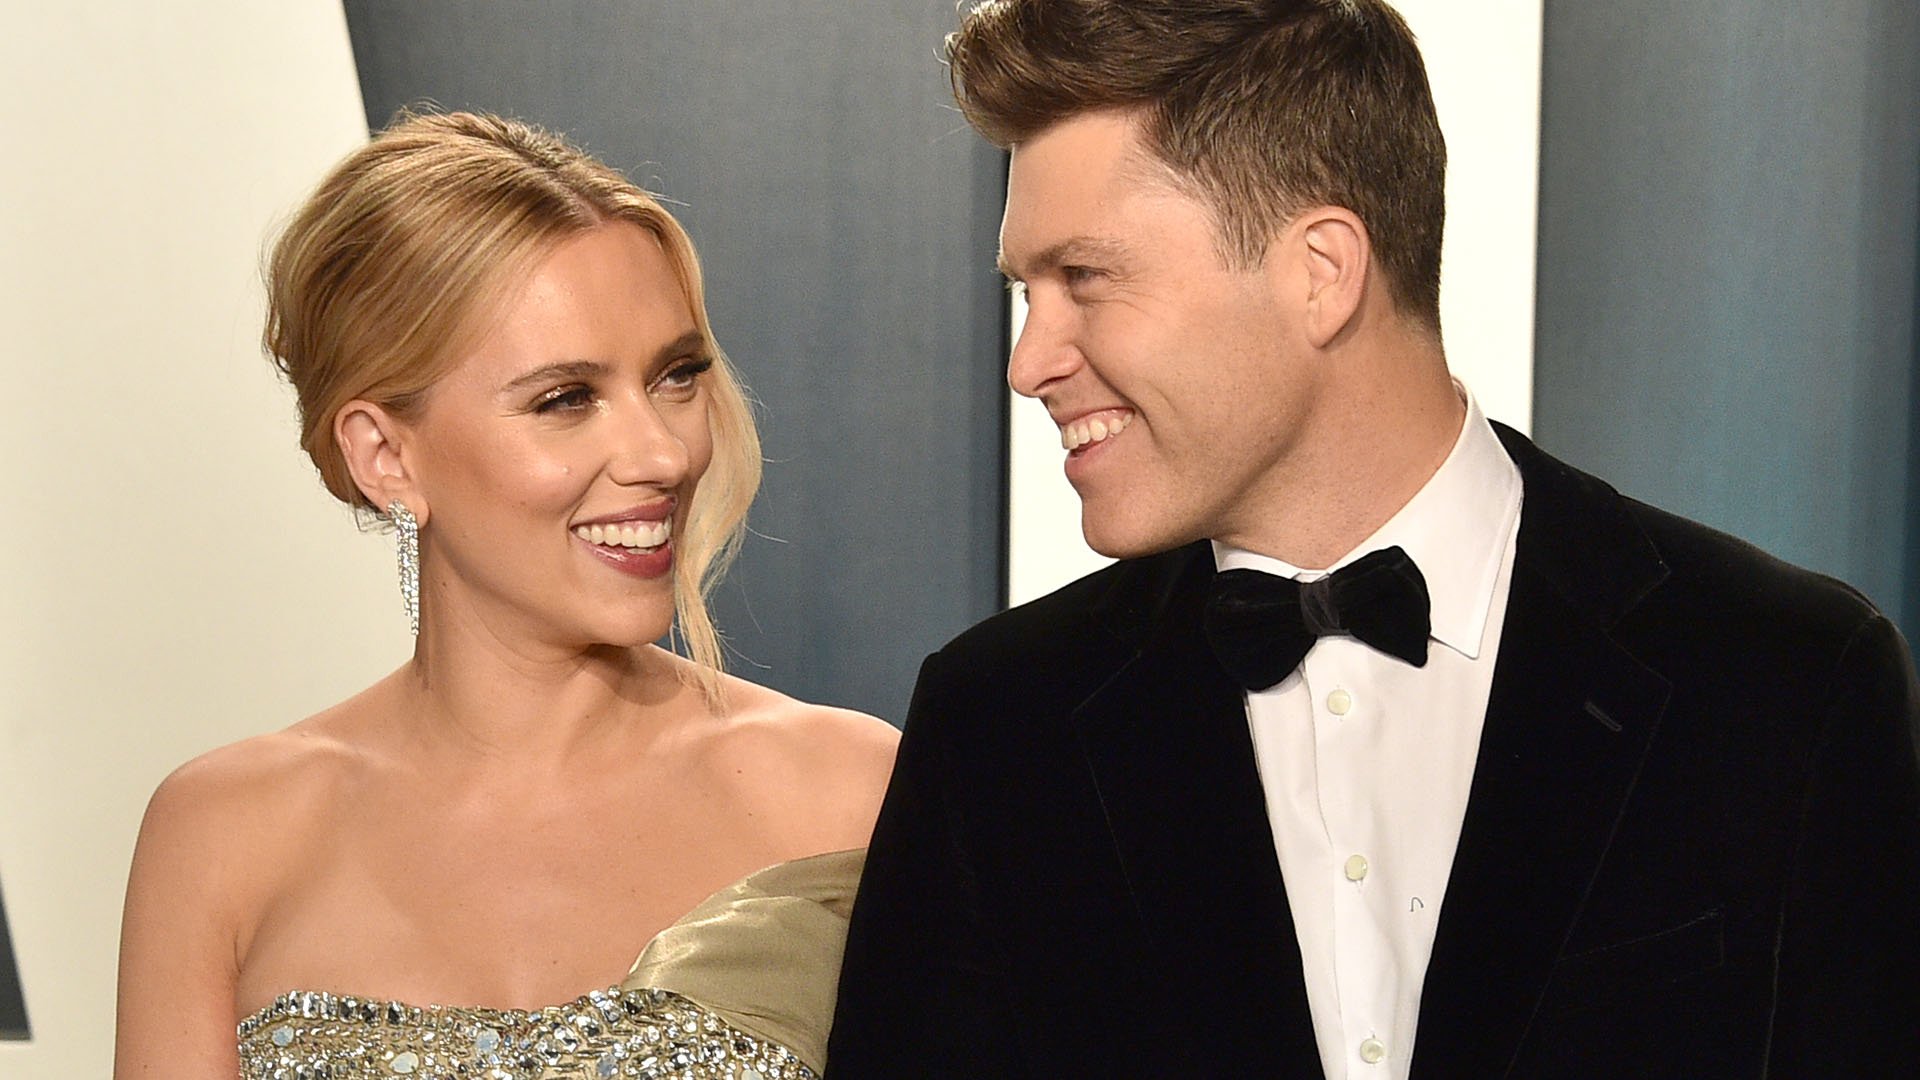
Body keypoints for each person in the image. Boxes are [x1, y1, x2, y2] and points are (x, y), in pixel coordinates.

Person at [827, 1, 1920, 1077]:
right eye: (1027, 292)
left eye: (1084, 280)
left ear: (1322, 271)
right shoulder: (995, 731)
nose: (1028, 363)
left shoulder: (1790, 676)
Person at [114, 111, 898, 1079]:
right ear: (385, 455)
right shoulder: (224, 838)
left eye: (677, 375)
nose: (661, 454)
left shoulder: (845, 793)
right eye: (565, 399)